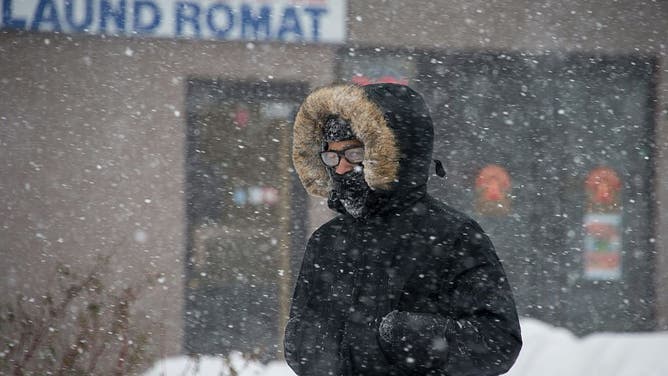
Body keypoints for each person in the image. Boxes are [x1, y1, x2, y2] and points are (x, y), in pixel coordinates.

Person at [284, 83, 522, 376]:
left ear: (393, 154)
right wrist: (317, 350)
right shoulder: (327, 241)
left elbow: (499, 342)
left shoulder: (454, 236)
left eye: (353, 154)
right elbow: (298, 340)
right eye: (331, 156)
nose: (341, 169)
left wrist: (411, 335)